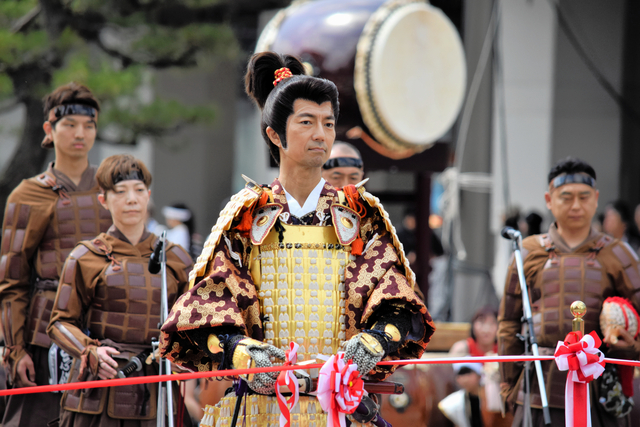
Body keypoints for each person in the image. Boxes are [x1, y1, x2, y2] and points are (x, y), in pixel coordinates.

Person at [160, 51, 434, 425]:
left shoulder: (360, 215)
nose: (321, 134)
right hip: (261, 410)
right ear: (275, 133)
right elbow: (206, 315)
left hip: (340, 407)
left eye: (328, 123)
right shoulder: (247, 216)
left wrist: (370, 344)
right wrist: (245, 355)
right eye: (306, 122)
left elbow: (399, 306)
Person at [46, 154, 193, 427]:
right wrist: (89, 351)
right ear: (103, 200)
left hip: (157, 387)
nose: (131, 199)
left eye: (139, 191)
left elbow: (192, 322)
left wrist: (184, 354)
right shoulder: (85, 256)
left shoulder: (176, 259)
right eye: (121, 192)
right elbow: (59, 323)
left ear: (148, 196)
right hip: (99, 386)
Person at [0, 82, 111, 427]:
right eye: (70, 125)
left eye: (89, 125)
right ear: (49, 129)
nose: (81, 133)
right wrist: (14, 349)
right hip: (43, 332)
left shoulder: (112, 189)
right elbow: (11, 281)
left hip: (104, 330)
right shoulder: (28, 194)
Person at [498, 157, 640, 427]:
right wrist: (508, 385)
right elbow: (508, 322)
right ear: (549, 200)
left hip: (600, 388)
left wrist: (629, 347)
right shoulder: (528, 251)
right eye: (566, 197)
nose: (576, 205)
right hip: (538, 386)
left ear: (596, 199)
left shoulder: (619, 254)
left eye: (584, 197)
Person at [449, 306, 512, 427]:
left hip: (498, 406)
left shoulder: (504, 350)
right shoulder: (462, 349)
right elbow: (453, 379)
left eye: (492, 323)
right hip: (468, 405)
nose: (486, 329)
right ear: (473, 325)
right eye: (482, 323)